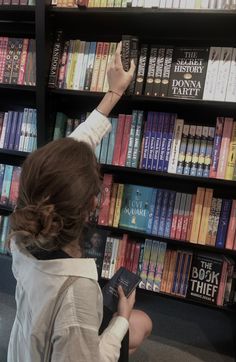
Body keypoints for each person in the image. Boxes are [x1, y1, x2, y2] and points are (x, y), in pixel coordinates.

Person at [7, 42, 152, 362]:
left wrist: (113, 94)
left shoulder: (20, 234)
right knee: (140, 324)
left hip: (24, 349)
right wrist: (121, 322)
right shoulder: (77, 291)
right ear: (91, 205)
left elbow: (65, 158)